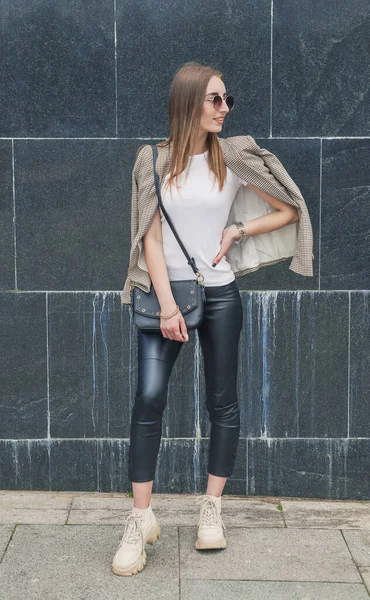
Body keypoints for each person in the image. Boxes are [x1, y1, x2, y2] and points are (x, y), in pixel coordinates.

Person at [112, 61, 305, 577]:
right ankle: (139, 518)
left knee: (222, 400)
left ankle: (211, 509)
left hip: (219, 294)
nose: (225, 108)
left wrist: (237, 230)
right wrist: (168, 303)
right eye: (215, 99)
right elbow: (149, 234)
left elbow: (288, 209)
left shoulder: (234, 156)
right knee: (149, 396)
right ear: (190, 102)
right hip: (163, 297)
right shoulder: (152, 160)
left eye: (227, 100)